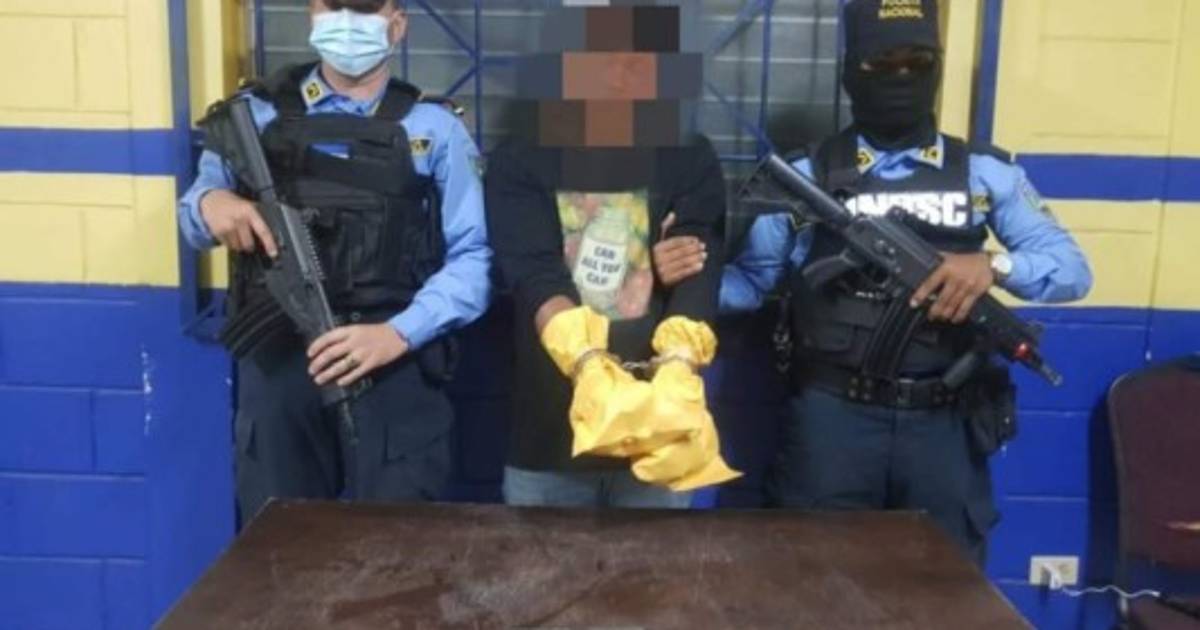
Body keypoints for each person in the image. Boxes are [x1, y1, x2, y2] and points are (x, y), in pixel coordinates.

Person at [652, 0, 1092, 561]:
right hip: (832, 420)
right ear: (850, 73)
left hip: (943, 424)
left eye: (917, 62)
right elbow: (751, 282)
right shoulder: (807, 175)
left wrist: (992, 267)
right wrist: (675, 279)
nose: (900, 77)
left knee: (943, 587)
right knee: (809, 578)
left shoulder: (983, 173)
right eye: (880, 63)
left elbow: (1072, 269)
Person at [176, 0, 491, 517]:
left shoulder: (435, 129)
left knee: (396, 547)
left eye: (364, 7)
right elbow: (195, 217)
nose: (347, 20)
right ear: (312, 13)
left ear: (397, 25)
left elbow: (472, 261)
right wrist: (211, 203)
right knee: (280, 544)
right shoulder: (255, 116)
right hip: (280, 355)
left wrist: (397, 334)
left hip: (392, 361)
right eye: (333, 4)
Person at [485, 3, 736, 509]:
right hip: (549, 439)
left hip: (660, 439)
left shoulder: (689, 156)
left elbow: (697, 263)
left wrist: (679, 366)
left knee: (660, 563)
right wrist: (588, 362)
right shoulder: (520, 159)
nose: (619, 76)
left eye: (636, 60)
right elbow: (535, 275)